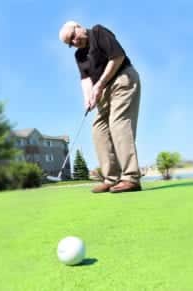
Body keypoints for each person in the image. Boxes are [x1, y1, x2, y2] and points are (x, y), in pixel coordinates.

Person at [59, 21, 142, 193]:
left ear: (79, 26)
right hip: (103, 90)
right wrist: (88, 98)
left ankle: (131, 177)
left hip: (122, 79)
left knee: (118, 123)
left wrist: (100, 85)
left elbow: (117, 57)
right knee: (99, 129)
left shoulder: (98, 32)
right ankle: (111, 179)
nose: (74, 42)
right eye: (70, 43)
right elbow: (85, 80)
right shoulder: (79, 56)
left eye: (73, 37)